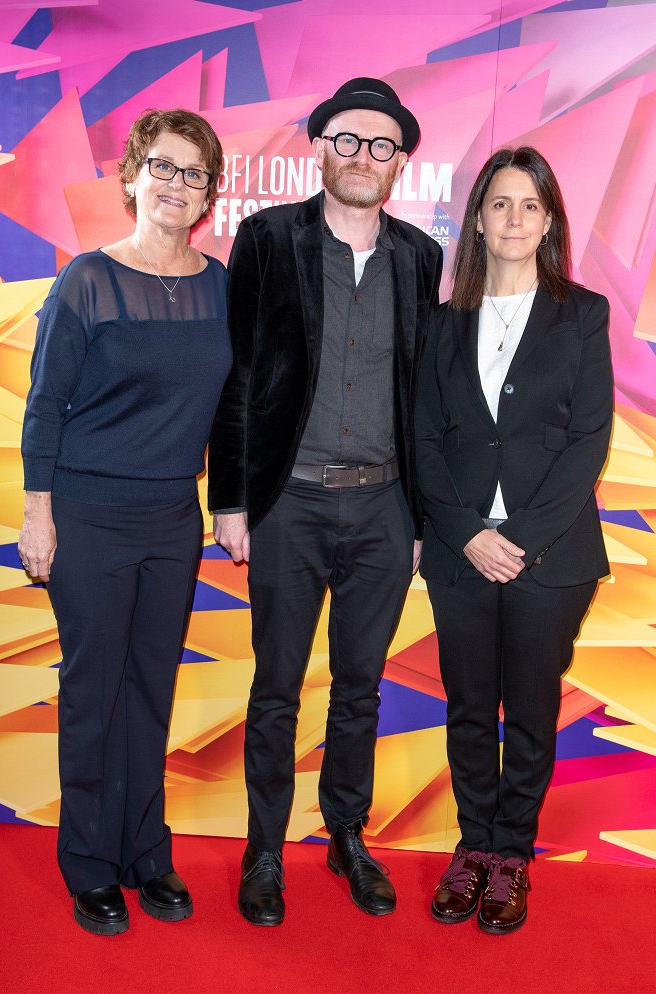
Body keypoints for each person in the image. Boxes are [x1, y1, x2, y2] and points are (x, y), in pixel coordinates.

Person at [209, 77, 442, 925]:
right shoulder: (267, 238)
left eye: (380, 145)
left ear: (399, 163)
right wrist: (229, 500)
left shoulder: (421, 256)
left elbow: (421, 395)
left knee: (360, 687)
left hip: (383, 510)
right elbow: (238, 375)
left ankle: (347, 836)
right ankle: (263, 849)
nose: (361, 157)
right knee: (275, 688)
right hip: (285, 505)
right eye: (347, 140)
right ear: (320, 147)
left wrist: (420, 515)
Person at [18, 109, 231, 935]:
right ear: (135, 174)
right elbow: (44, 408)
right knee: (95, 696)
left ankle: (148, 853)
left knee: (151, 690)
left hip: (172, 517)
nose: (178, 185)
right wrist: (38, 517)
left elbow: (236, 406)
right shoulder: (87, 280)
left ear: (211, 192)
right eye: (165, 167)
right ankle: (91, 864)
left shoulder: (218, 285)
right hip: (87, 518)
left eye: (195, 173)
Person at [415, 146, 613, 934]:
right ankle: (472, 847)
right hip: (460, 554)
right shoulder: (442, 321)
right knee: (468, 706)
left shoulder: (581, 312)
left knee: (528, 710)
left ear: (549, 221)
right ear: (476, 220)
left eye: (530, 205)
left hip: (550, 556)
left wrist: (518, 540)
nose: (514, 219)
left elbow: (587, 439)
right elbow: (422, 438)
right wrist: (466, 533)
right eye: (499, 203)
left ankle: (510, 858)